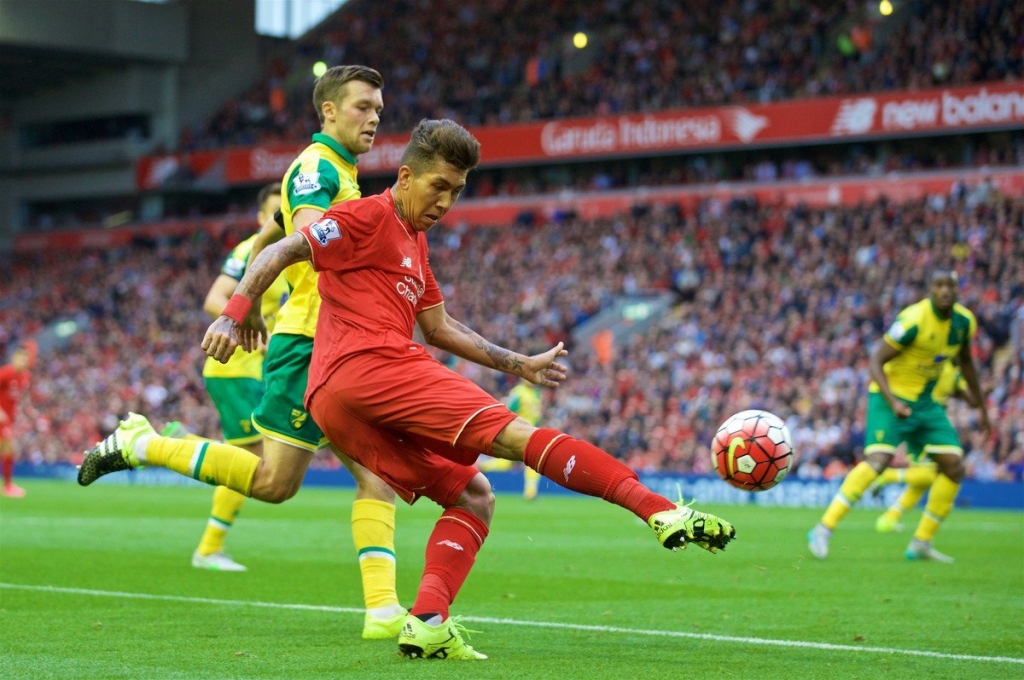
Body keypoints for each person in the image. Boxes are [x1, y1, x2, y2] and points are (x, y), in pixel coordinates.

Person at [191, 118, 730, 660]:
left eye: (457, 191)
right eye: (438, 186)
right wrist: (233, 315)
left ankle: (426, 621)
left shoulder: (414, 245)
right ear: (405, 177)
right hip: (372, 365)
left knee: (474, 494)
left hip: (336, 401)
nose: (446, 201)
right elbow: (281, 250)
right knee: (520, 437)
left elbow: (441, 329)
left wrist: (520, 364)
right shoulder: (365, 215)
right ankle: (660, 510)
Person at [80, 65, 406, 639]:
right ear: (328, 111)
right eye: (362, 106)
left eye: (379, 108)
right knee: (279, 482)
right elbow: (306, 232)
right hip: (309, 343)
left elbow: (273, 234)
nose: (374, 116)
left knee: (365, 477)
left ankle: (382, 613)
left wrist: (251, 296)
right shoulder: (316, 169)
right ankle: (144, 443)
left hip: (334, 343)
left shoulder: (341, 171)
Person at [808, 270, 990, 563]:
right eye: (939, 285)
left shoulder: (963, 322)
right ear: (930, 289)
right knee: (877, 461)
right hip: (888, 396)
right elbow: (875, 361)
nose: (945, 291)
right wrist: (893, 402)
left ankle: (921, 542)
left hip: (926, 404)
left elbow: (967, 364)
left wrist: (982, 408)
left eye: (950, 286)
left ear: (957, 290)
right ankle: (823, 528)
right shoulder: (912, 321)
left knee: (954, 466)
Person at [168, 182, 291, 571]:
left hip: (251, 370)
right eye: (274, 211)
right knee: (252, 459)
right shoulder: (249, 250)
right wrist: (253, 331)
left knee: (252, 458)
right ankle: (175, 444)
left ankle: (209, 547)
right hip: (233, 367)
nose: (282, 217)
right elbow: (214, 299)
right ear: (260, 218)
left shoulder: (292, 252)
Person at [870, 360, 979, 534]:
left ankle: (889, 518)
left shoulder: (952, 372)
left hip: (935, 425)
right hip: (922, 424)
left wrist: (984, 390)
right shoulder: (934, 365)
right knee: (929, 475)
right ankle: (888, 476)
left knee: (926, 480)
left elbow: (973, 400)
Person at [478, 378, 545, 500]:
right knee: (529, 460)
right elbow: (508, 408)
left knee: (528, 461)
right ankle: (530, 491)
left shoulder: (536, 393)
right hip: (519, 431)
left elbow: (536, 414)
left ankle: (530, 492)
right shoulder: (518, 392)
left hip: (531, 431)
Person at [0, 339, 37, 498]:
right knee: (9, 447)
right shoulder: (6, 372)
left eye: (26, 357)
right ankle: (8, 486)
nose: (23, 360)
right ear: (14, 357)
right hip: (2, 418)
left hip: (9, 418)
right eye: (20, 357)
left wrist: (30, 411)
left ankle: (8, 485)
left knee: (7, 449)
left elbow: (20, 400)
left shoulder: (25, 377)